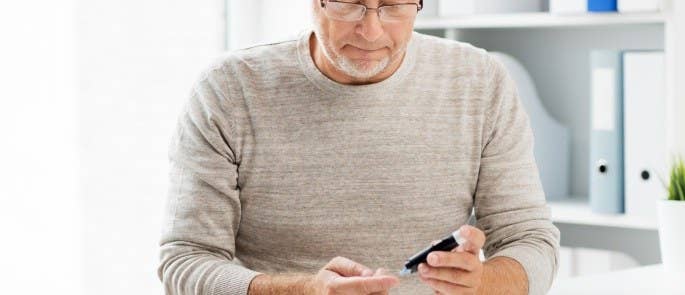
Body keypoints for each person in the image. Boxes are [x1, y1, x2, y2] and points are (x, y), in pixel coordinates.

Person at [158, 0, 561, 294]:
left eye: (392, 5)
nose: (371, 30)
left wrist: (483, 283)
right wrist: (303, 291)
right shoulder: (229, 89)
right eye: (349, 4)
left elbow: (531, 241)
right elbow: (185, 260)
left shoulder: (480, 80)